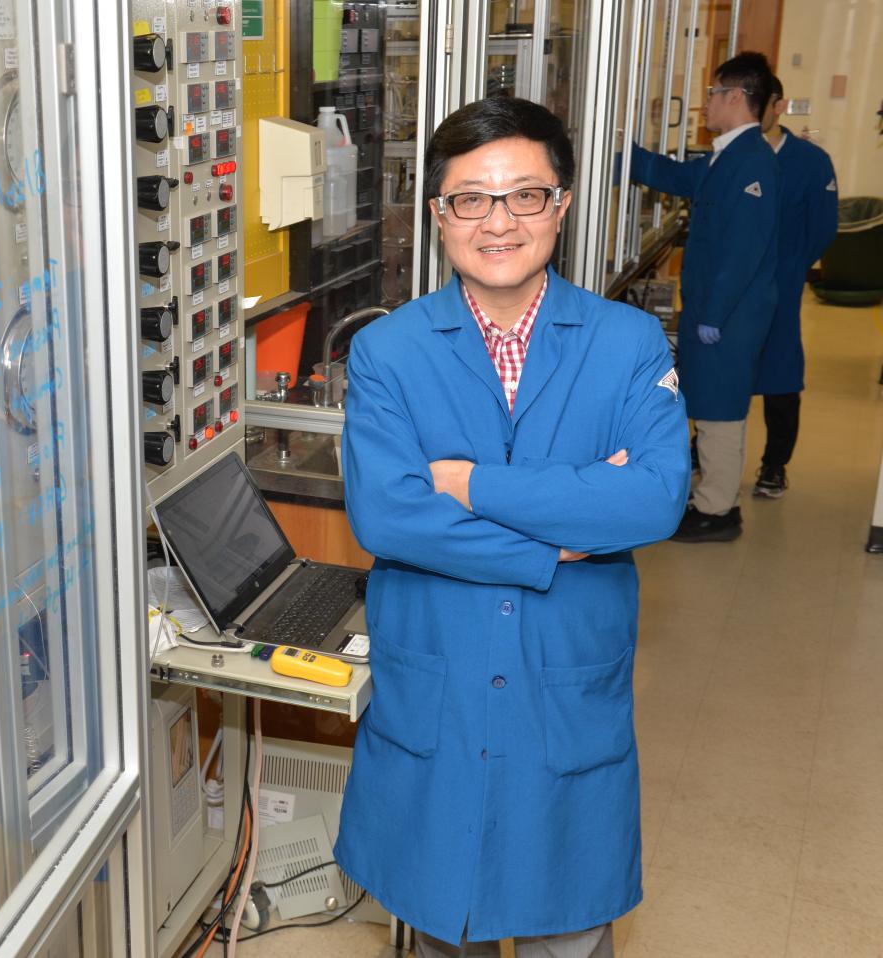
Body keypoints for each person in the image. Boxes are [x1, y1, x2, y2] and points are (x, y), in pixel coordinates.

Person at [334, 96, 690, 958]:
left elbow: (652, 500)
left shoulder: (628, 343)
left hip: (561, 683)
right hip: (440, 688)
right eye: (471, 199)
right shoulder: (389, 352)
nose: (498, 223)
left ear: (561, 206)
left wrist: (469, 483)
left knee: (568, 924)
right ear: (438, 214)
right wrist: (556, 539)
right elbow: (388, 515)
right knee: (439, 921)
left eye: (524, 196)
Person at [629, 51, 781, 541]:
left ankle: (718, 511)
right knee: (711, 404)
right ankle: (713, 499)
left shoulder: (752, 162)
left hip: (730, 314)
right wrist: (620, 151)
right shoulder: (728, 155)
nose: (705, 104)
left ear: (735, 97)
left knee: (721, 410)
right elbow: (678, 178)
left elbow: (743, 251)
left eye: (712, 94)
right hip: (715, 309)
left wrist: (713, 313)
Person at [751, 73, 839, 498]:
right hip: (734, 285)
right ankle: (704, 448)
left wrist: (790, 267)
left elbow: (823, 228)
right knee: (723, 373)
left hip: (781, 284)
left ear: (778, 106)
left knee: (781, 372)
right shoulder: (733, 155)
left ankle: (775, 463)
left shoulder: (810, 161)